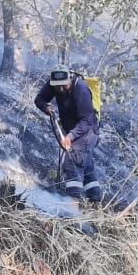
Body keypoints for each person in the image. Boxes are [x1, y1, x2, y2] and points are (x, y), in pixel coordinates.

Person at [35, 66, 102, 202]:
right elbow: (39, 99)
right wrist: (46, 107)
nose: (60, 89)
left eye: (63, 86)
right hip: (72, 130)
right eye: (57, 86)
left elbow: (87, 120)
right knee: (86, 166)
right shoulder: (54, 83)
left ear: (69, 79)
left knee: (72, 163)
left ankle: (73, 209)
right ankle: (95, 204)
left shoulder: (80, 88)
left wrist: (70, 136)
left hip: (87, 131)